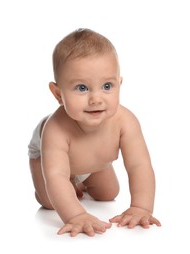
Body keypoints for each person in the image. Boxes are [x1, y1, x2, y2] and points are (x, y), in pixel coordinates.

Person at [28, 28, 161, 237]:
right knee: (50, 201)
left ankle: (79, 181)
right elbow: (56, 176)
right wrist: (76, 215)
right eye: (82, 88)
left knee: (108, 193)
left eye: (107, 86)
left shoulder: (125, 121)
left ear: (120, 84)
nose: (96, 99)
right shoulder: (55, 129)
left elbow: (139, 165)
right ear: (58, 94)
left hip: (93, 159)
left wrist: (141, 207)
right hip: (46, 156)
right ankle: (72, 184)